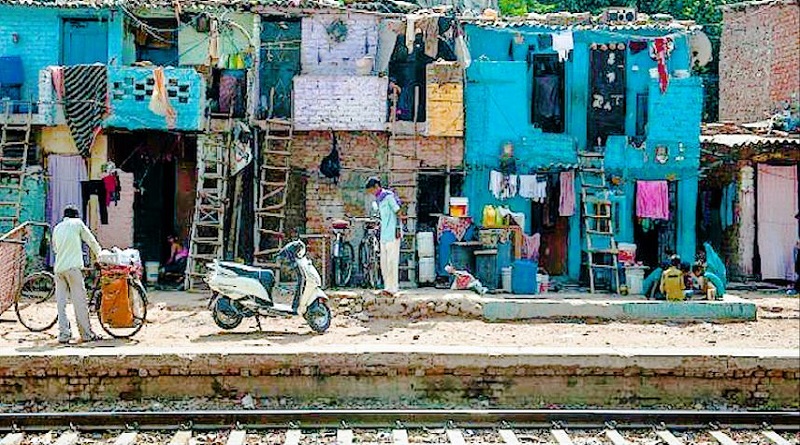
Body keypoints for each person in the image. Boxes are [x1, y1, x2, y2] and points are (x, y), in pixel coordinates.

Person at [52, 205, 103, 344]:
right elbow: (90, 240)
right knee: (79, 302)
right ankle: (86, 334)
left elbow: (56, 248)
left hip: (59, 269)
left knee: (61, 304)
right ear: (76, 216)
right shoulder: (77, 223)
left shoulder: (57, 227)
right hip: (73, 269)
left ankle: (64, 335)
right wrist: (100, 255)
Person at [365, 177, 404, 296]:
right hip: (384, 234)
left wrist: (398, 228)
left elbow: (398, 212)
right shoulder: (379, 200)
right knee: (384, 262)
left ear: (377, 186)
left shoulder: (388, 196)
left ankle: (393, 288)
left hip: (393, 233)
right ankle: (387, 287)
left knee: (392, 261)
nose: (372, 193)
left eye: (372, 190)